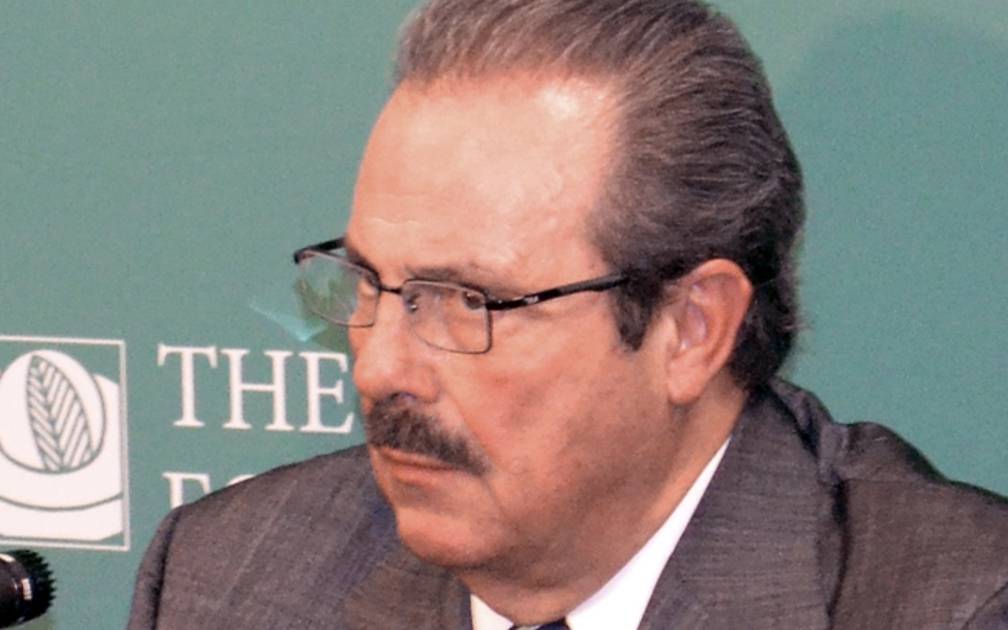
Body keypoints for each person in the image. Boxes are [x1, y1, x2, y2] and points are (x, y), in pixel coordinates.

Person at [128, 1, 1008, 628]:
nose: (380, 367)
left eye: (466, 302)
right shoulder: (230, 579)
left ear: (691, 329)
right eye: (366, 283)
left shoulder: (953, 604)